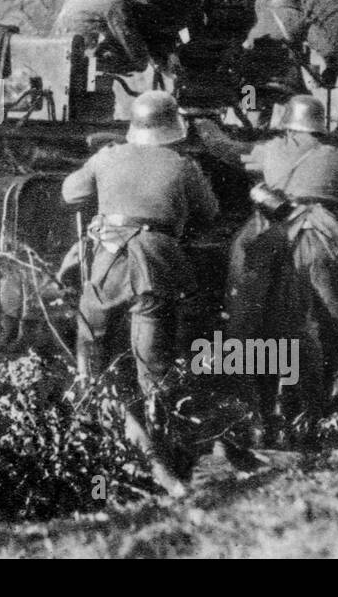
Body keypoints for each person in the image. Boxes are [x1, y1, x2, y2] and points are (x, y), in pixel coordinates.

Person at [61, 90, 219, 493]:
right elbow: (208, 213)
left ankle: (101, 441)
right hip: (157, 268)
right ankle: (169, 457)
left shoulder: (107, 155)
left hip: (109, 264)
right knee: (155, 367)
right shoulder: (184, 165)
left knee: (90, 352)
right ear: (172, 128)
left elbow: (70, 193)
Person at [227, 95, 338, 442]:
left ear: (288, 123)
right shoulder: (335, 156)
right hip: (322, 235)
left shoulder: (270, 149)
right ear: (320, 126)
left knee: (255, 318)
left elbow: (227, 151)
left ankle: (261, 413)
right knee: (330, 324)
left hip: (272, 236)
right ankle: (318, 414)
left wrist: (206, 128)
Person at [237, 0, 338, 128]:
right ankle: (295, 142)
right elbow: (329, 50)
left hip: (251, 83)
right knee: (305, 108)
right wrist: (331, 71)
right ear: (296, 0)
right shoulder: (301, 19)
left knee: (252, 116)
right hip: (286, 81)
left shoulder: (256, 17)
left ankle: (251, 133)